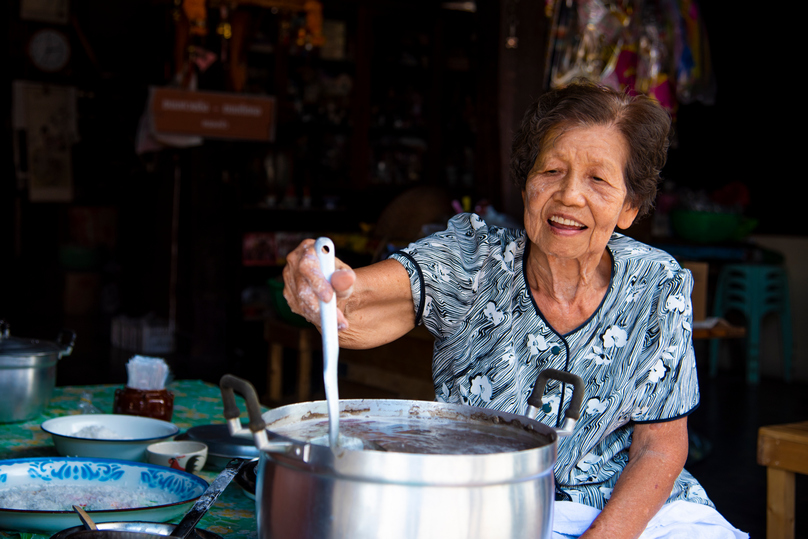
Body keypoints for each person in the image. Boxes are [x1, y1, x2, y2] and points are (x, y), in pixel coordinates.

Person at [283, 80, 746, 538]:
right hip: (489, 507)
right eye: (551, 172)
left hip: (633, 514)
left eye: (598, 180)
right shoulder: (474, 261)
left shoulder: (657, 285)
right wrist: (325, 284)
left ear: (629, 207)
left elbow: (660, 448)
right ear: (526, 186)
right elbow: (363, 301)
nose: (568, 195)